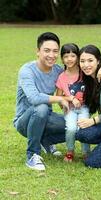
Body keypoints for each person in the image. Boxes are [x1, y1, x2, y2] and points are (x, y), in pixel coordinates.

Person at [13, 32, 69, 171]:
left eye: (55, 51)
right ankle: (32, 155)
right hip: (25, 121)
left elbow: (79, 73)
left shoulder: (58, 71)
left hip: (47, 118)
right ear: (38, 51)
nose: (52, 55)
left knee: (77, 124)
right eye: (47, 50)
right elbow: (34, 98)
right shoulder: (27, 71)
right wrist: (60, 98)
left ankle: (45, 141)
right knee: (41, 107)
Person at [56, 43, 90, 162]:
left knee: (83, 127)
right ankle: (70, 151)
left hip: (84, 107)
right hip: (70, 109)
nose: (69, 59)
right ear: (62, 59)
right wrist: (69, 99)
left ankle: (86, 152)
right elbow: (59, 97)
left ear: (78, 57)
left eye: (72, 56)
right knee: (71, 128)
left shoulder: (84, 73)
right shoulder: (61, 77)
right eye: (66, 56)